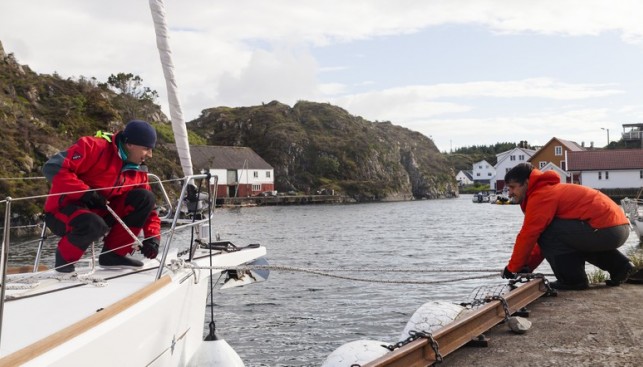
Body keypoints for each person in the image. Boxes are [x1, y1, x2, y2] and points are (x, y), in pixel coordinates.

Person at [43, 120, 161, 273]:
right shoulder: (93, 147)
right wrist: (85, 192)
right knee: (93, 223)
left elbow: (150, 210)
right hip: (62, 212)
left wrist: (153, 239)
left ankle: (112, 255)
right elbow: (53, 167)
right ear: (130, 144)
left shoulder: (137, 172)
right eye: (146, 149)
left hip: (101, 212)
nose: (150, 155)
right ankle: (63, 265)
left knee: (145, 198)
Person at [501, 163, 635, 290]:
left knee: (550, 232)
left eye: (512, 187)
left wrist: (513, 268)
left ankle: (572, 280)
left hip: (606, 230)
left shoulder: (541, 195)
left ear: (526, 183)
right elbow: (548, 242)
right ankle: (621, 268)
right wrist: (526, 266)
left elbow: (529, 235)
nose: (509, 193)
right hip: (618, 229)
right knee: (570, 239)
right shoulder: (549, 190)